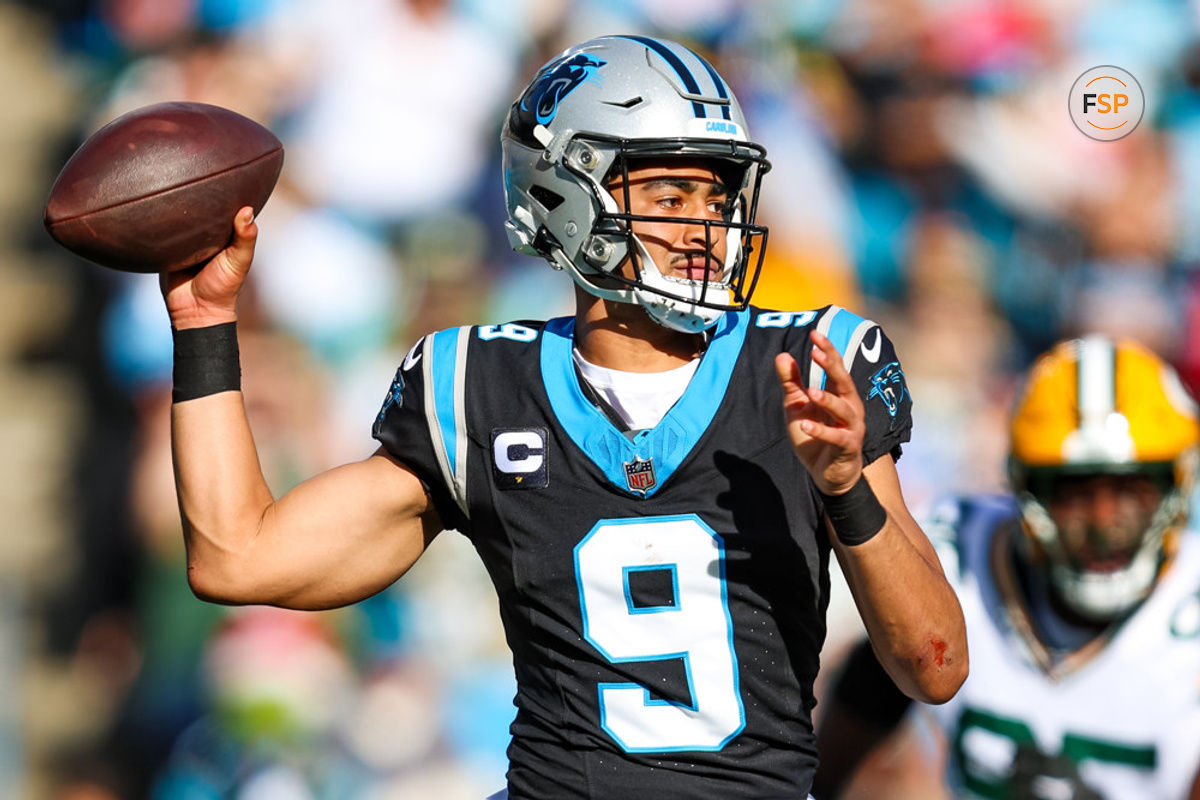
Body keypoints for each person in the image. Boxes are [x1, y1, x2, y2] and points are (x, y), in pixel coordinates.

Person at [162, 35, 966, 799]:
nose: (705, 230)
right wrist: (204, 326)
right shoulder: (479, 385)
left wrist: (845, 493)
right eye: (669, 194)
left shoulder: (805, 366)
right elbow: (238, 557)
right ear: (566, 199)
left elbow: (935, 667)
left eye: (716, 196)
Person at [812, 336, 1200, 800]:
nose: (1103, 524)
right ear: (1023, 484)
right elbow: (852, 721)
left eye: (1129, 491)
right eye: (1074, 491)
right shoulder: (960, 552)